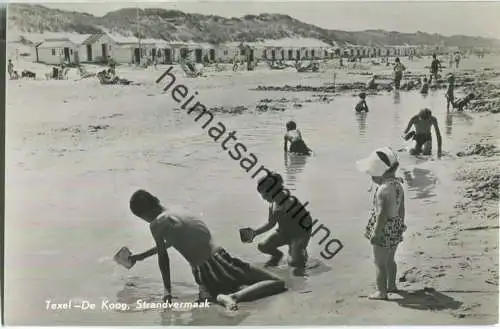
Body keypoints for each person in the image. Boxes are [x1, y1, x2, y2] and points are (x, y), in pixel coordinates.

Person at [126, 189, 286, 311]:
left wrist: (167, 291)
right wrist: (142, 256)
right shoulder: (177, 210)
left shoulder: (157, 224)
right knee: (276, 282)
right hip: (220, 261)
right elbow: (177, 239)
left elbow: (164, 256)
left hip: (205, 272)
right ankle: (228, 295)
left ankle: (231, 296)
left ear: (145, 213)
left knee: (275, 283)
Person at [356, 147, 406, 300]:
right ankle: (392, 285)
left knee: (379, 262)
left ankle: (381, 291)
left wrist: (376, 234)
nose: (370, 177)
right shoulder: (398, 186)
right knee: (390, 260)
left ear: (378, 172)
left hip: (383, 229)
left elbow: (381, 215)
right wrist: (401, 225)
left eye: (371, 174)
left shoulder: (382, 191)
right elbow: (402, 209)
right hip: (395, 226)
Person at [247, 172, 312, 276]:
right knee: (263, 246)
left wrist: (301, 241)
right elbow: (270, 224)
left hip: (299, 234)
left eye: (264, 194)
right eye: (261, 195)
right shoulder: (272, 205)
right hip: (283, 232)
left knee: (295, 263)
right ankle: (277, 256)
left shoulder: (290, 202)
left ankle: (300, 252)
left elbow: (308, 220)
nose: (263, 198)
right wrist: (255, 233)